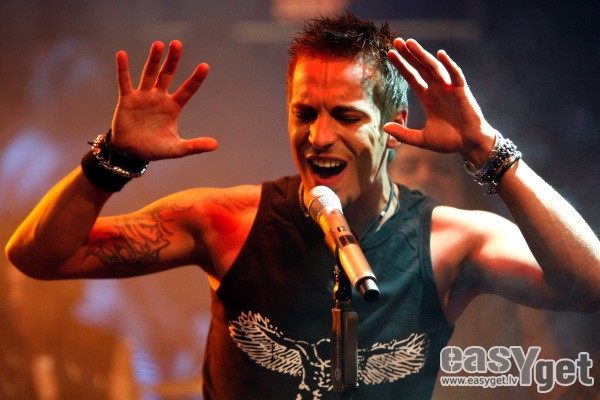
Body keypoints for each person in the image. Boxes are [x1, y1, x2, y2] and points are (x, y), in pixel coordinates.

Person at [5, 13, 600, 400]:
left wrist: (489, 151)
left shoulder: (451, 242)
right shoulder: (227, 221)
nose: (318, 137)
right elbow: (38, 257)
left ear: (393, 126)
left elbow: (589, 285)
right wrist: (110, 160)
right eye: (304, 113)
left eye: (345, 116)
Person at [0, 262, 139, 400]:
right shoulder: (5, 362)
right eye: (8, 288)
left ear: (55, 292)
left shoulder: (102, 350)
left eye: (29, 289)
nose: (15, 299)